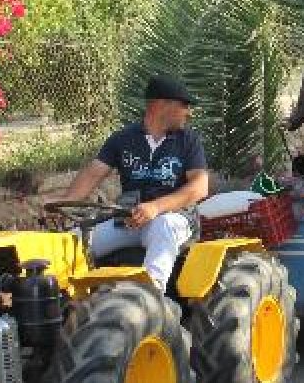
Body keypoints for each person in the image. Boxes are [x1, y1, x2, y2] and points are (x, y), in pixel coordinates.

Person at [49, 76, 209, 290]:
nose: (189, 112)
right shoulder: (122, 139)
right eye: (185, 106)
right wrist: (65, 204)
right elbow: (93, 173)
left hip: (175, 218)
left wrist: (156, 207)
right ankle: (61, 305)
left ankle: (150, 299)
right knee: (72, 243)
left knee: (164, 227)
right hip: (129, 220)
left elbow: (199, 187)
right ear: (162, 105)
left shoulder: (188, 141)